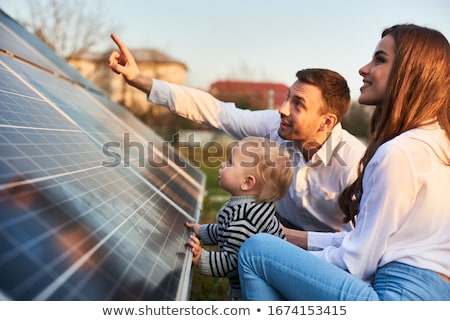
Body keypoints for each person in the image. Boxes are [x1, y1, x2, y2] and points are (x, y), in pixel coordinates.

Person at [237, 24, 450, 300]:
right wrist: (285, 237)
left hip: (395, 299)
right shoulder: (438, 143)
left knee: (257, 251)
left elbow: (357, 262)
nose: (364, 68)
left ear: (411, 73)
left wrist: (285, 262)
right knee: (270, 245)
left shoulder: (398, 153)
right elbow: (365, 238)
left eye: (380, 60)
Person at [108, 34, 367, 243]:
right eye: (288, 97)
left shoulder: (354, 162)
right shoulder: (276, 126)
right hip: (279, 236)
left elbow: (362, 242)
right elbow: (217, 112)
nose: (283, 108)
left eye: (298, 104)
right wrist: (139, 80)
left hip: (330, 255)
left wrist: (280, 236)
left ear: (328, 121)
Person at [184, 136, 293, 300]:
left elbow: (233, 262)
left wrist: (202, 258)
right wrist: (201, 231)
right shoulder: (248, 206)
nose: (222, 164)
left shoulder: (245, 219)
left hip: (256, 290)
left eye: (229, 163)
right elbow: (225, 231)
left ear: (247, 183)